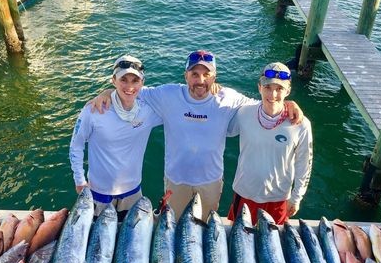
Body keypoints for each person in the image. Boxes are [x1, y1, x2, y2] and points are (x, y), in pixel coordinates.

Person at [89, 50, 304, 220]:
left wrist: (289, 104)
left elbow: (265, 105)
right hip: (176, 181)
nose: (200, 80)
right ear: (186, 76)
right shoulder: (168, 94)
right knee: (170, 225)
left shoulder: (227, 98)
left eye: (206, 74)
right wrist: (107, 92)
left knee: (204, 228)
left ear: (214, 77)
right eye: (194, 74)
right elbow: (131, 91)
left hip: (210, 182)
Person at [69, 55, 162, 220]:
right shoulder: (93, 110)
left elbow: (180, 108)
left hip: (133, 191)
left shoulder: (148, 111)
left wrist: (214, 91)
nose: (129, 86)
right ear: (113, 80)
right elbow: (76, 145)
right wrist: (79, 180)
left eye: (135, 81)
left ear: (142, 83)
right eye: (123, 80)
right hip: (99, 193)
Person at [227, 62, 313, 225]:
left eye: (279, 89)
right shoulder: (244, 112)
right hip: (245, 193)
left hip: (278, 198)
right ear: (259, 87)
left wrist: (296, 198)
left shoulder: (301, 124)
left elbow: (304, 164)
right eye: (267, 88)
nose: (273, 94)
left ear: (288, 90)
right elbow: (221, 104)